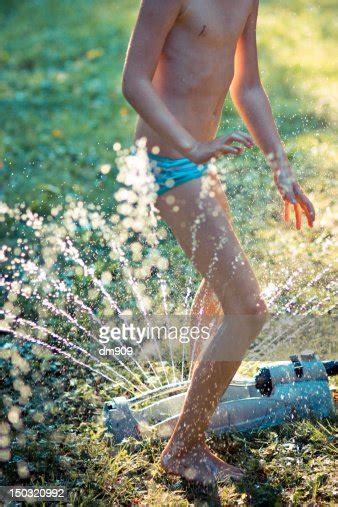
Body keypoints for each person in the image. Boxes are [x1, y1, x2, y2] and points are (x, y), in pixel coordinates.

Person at [122, 0, 315, 484]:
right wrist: (191, 147)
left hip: (200, 158)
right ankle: (183, 449)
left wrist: (281, 167)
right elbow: (134, 82)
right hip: (169, 162)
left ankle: (199, 395)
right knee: (248, 307)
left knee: (221, 292)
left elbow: (246, 85)